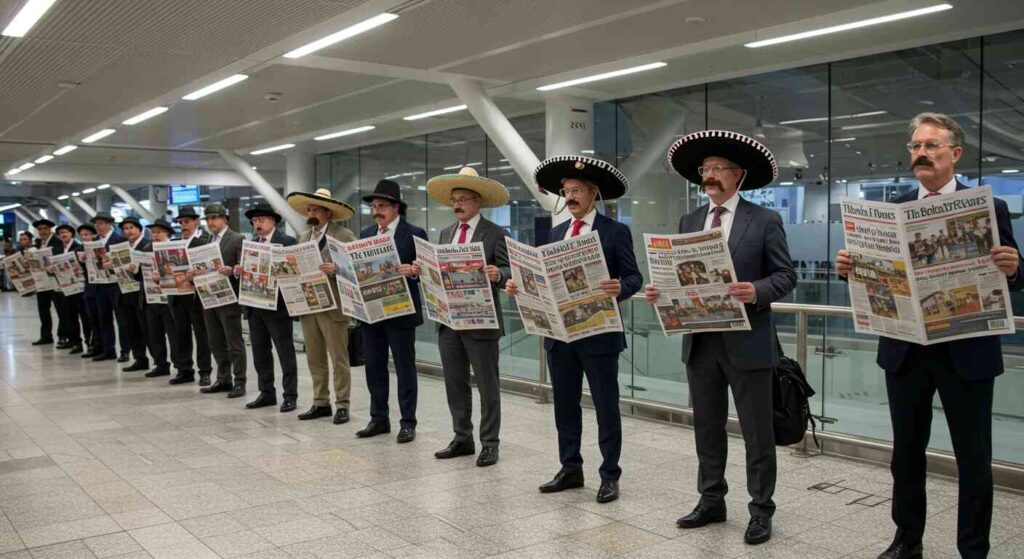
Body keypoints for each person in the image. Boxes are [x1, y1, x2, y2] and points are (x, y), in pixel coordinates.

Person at [835, 113, 1024, 559]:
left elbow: (1014, 274)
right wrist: (851, 269)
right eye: (915, 145)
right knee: (906, 454)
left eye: (931, 145)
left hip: (967, 349)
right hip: (906, 350)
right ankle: (907, 540)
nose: (920, 152)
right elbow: (876, 277)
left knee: (974, 458)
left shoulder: (988, 207)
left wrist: (1014, 268)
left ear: (955, 154)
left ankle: (973, 549)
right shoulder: (890, 207)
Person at [647, 130, 796, 545]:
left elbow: (786, 276)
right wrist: (663, 291)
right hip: (700, 341)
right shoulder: (690, 221)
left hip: (748, 340)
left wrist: (756, 290)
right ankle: (711, 500)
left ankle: (761, 510)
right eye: (704, 170)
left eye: (717, 169)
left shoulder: (764, 219)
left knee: (756, 432)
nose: (709, 176)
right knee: (707, 428)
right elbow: (681, 275)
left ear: (737, 175)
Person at [505, 155, 643, 504]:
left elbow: (634, 277)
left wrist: (620, 288)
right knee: (564, 406)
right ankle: (570, 468)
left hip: (599, 334)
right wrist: (519, 285)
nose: (570, 197)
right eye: (566, 191)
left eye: (577, 190)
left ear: (594, 194)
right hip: (560, 337)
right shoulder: (555, 232)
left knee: (605, 405)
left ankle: (609, 474)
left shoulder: (615, 231)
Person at [415, 167, 511, 466]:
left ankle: (490, 442)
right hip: (448, 321)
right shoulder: (446, 233)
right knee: (455, 383)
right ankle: (462, 437)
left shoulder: (496, 234)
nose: (457, 204)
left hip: (482, 322)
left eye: (464, 199)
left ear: (478, 201)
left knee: (487, 384)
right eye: (454, 199)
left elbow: (511, 271)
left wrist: (499, 274)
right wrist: (423, 271)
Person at [354, 180, 428, 443]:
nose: (377, 211)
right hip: (372, 312)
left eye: (382, 206)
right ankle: (378, 418)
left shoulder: (415, 233)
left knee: (404, 367)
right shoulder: (365, 234)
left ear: (396, 207)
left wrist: (415, 271)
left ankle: (408, 422)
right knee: (373, 366)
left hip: (400, 312)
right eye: (373, 206)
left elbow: (427, 271)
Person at [285, 189, 357, 424]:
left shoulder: (344, 235)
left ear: (328, 212)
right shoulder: (304, 236)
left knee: (338, 358)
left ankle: (343, 404)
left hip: (334, 306)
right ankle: (320, 401)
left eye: (316, 209)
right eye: (310, 209)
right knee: (314, 356)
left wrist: (337, 269)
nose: (311, 213)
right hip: (309, 304)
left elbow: (357, 268)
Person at [238, 203, 299, 413]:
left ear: (273, 221)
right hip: (255, 307)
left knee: (285, 353)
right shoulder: (251, 244)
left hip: (278, 308)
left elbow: (294, 272)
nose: (257, 224)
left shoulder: (286, 242)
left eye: (261, 220)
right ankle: (266, 392)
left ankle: (290, 395)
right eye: (254, 221)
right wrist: (240, 270)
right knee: (260, 352)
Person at [197, 204, 247, 399]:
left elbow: (242, 267)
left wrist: (232, 270)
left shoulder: (236, 239)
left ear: (224, 219)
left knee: (234, 342)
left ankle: (240, 381)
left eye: (214, 218)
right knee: (215, 341)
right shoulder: (206, 240)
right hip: (209, 297)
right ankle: (223, 378)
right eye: (208, 219)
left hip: (229, 298)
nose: (211, 222)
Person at [168, 206, 212, 385]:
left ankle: (205, 371)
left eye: (187, 222)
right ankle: (184, 369)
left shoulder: (203, 242)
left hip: (196, 297)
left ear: (195, 222)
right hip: (177, 296)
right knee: (181, 334)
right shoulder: (173, 244)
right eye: (181, 222)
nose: (183, 225)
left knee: (202, 335)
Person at [141, 219, 178, 379]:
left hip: (170, 299)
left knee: (174, 334)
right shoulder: (146, 248)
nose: (155, 235)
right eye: (153, 232)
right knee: (154, 334)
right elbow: (138, 275)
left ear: (167, 233)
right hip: (151, 298)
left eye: (158, 232)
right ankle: (160, 364)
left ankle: (180, 365)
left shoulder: (174, 248)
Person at [90, 212, 125, 362]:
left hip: (116, 283)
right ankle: (108, 349)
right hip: (100, 283)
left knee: (121, 318)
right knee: (103, 317)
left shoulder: (119, 239)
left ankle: (125, 350)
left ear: (109, 224)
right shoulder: (94, 241)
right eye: (97, 224)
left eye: (102, 223)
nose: (99, 226)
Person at [118, 216, 150, 373]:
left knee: (145, 327)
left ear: (139, 229)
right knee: (131, 327)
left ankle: (157, 360)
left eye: (131, 227)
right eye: (125, 229)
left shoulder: (147, 245)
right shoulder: (123, 248)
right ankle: (140, 358)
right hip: (126, 291)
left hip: (142, 293)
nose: (128, 231)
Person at [54, 224, 89, 354]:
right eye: (61, 233)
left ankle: (89, 342)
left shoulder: (78, 248)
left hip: (80, 287)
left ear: (72, 234)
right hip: (65, 287)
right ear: (58, 236)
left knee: (85, 316)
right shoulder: (57, 250)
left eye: (66, 232)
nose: (63, 235)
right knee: (70, 316)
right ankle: (75, 342)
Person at [31, 218, 62, 346]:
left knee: (61, 310)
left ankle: (63, 335)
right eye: (40, 229)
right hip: (41, 282)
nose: (42, 231)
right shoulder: (37, 244)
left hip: (55, 281)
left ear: (50, 229)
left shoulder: (57, 242)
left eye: (45, 228)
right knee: (43, 309)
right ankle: (46, 335)